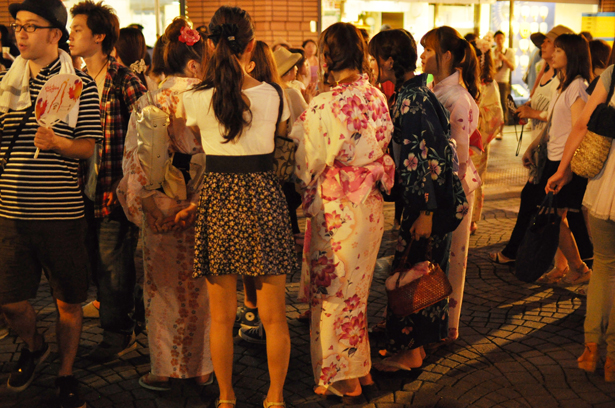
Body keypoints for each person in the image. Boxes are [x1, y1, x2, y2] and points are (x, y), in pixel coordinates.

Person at [183, 6, 297, 408]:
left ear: (210, 44)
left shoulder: (192, 99)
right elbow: (280, 142)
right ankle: (275, 396)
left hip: (219, 200)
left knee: (221, 317)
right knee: (274, 317)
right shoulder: (275, 95)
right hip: (264, 199)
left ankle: (227, 397)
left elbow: (191, 138)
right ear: (250, 45)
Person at [0, 0, 103, 406]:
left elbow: (88, 147)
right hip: (10, 213)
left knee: (68, 301)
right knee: (9, 300)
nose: (20, 34)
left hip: (61, 214)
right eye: (16, 26)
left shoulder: (79, 85)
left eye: (29, 26)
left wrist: (58, 142)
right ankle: (34, 344)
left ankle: (66, 371)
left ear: (54, 34)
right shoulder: (5, 86)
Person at [290, 22, 394, 402]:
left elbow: (308, 163)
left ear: (328, 56)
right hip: (369, 206)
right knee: (356, 292)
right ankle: (358, 367)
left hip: (339, 210)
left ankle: (342, 375)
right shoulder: (376, 96)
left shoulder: (325, 103)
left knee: (334, 292)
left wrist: (304, 181)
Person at [117, 17, 213, 391]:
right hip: (201, 206)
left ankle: (166, 369)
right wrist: (201, 201)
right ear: (193, 62)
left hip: (161, 205)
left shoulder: (150, 98)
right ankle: (203, 367)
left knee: (162, 290)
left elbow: (134, 160)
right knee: (201, 290)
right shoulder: (209, 98)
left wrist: (148, 204)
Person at [368, 28, 465, 372]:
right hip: (431, 203)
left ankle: (408, 353)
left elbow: (419, 159)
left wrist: (424, 210)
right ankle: (418, 349)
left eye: (377, 57)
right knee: (422, 273)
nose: (373, 64)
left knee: (411, 274)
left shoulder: (410, 100)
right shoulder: (419, 93)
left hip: (424, 205)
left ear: (390, 61)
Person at [69, 0, 148, 361]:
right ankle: (127, 319)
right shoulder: (77, 81)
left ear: (99, 36)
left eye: (78, 30)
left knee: (112, 262)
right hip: (83, 187)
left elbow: (149, 139)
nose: (71, 36)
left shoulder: (125, 80)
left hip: (115, 189)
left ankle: (119, 336)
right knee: (102, 262)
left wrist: (136, 187)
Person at [546, 62, 615, 382]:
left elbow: (582, 124)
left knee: (603, 267)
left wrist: (564, 169)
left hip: (606, 190)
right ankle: (613, 358)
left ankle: (591, 348)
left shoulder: (613, 72)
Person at [489, 25, 580, 267]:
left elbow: (574, 124)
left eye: (552, 44)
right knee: (552, 210)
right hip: (545, 147)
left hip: (557, 153)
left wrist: (565, 165)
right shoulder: (546, 72)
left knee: (542, 205)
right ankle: (565, 265)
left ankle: (570, 264)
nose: (545, 47)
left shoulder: (572, 83)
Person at [420, 26, 480, 342]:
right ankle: (435, 322)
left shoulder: (457, 98)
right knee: (438, 259)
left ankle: (447, 326)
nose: (422, 55)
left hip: (453, 189)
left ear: (445, 56)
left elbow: (458, 158)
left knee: (453, 260)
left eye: (428, 49)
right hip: (441, 188)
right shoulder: (436, 90)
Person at [522, 34, 592, 284]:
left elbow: (578, 128)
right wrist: (533, 146)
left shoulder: (578, 86)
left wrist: (567, 168)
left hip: (565, 161)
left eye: (559, 51)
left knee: (553, 215)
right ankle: (563, 267)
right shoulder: (563, 84)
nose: (553, 53)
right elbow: (552, 124)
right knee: (556, 216)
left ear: (572, 55)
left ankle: (579, 268)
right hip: (553, 158)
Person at [468, 37, 504, 235]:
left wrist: (475, 116)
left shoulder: (488, 84)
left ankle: (472, 218)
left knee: (475, 180)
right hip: (465, 138)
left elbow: (496, 114)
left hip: (477, 139)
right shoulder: (464, 81)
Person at [493, 30, 516, 137]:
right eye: (497, 38)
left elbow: (513, 67)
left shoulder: (509, 52)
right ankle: (493, 130)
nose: (499, 41)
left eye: (501, 38)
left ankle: (501, 130)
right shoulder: (492, 51)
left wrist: (504, 59)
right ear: (494, 40)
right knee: (492, 106)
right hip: (493, 82)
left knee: (502, 105)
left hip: (503, 82)